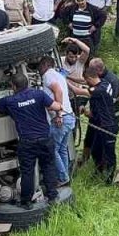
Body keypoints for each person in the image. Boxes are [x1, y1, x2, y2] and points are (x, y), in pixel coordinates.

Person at [0, 75, 61, 208]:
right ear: (28, 84)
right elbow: (56, 106)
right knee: (48, 167)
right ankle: (53, 196)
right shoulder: (39, 94)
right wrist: (59, 105)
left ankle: (26, 202)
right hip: (45, 139)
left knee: (27, 172)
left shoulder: (10, 100)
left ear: (13, 86)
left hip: (27, 143)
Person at [79, 59, 119, 182]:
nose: (86, 82)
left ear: (90, 78)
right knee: (96, 149)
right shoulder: (104, 82)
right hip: (100, 124)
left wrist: (65, 81)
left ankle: (109, 178)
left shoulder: (98, 90)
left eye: (87, 80)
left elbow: (79, 91)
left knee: (109, 153)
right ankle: (99, 170)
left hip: (108, 126)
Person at [39, 56, 76, 187]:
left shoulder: (48, 75)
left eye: (39, 66)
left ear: (44, 65)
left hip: (61, 118)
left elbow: (58, 91)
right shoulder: (59, 75)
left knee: (52, 149)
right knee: (62, 150)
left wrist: (58, 113)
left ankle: (62, 177)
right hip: (69, 116)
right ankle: (65, 176)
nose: (39, 69)